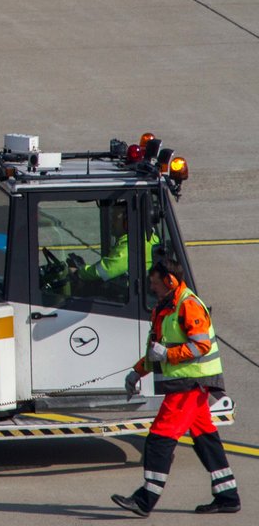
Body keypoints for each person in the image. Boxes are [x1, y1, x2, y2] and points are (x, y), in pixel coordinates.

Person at [111, 257, 240, 516]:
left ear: (170, 280)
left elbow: (200, 345)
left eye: (155, 282)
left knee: (159, 438)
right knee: (205, 438)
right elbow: (156, 350)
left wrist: (168, 355)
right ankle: (227, 495)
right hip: (187, 383)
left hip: (191, 384)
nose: (152, 287)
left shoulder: (187, 305)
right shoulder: (164, 307)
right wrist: (136, 373)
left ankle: (145, 499)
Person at [70, 203, 158, 282]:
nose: (111, 222)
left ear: (128, 222)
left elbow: (105, 270)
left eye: (115, 218)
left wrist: (79, 272)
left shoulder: (131, 247)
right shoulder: (144, 238)